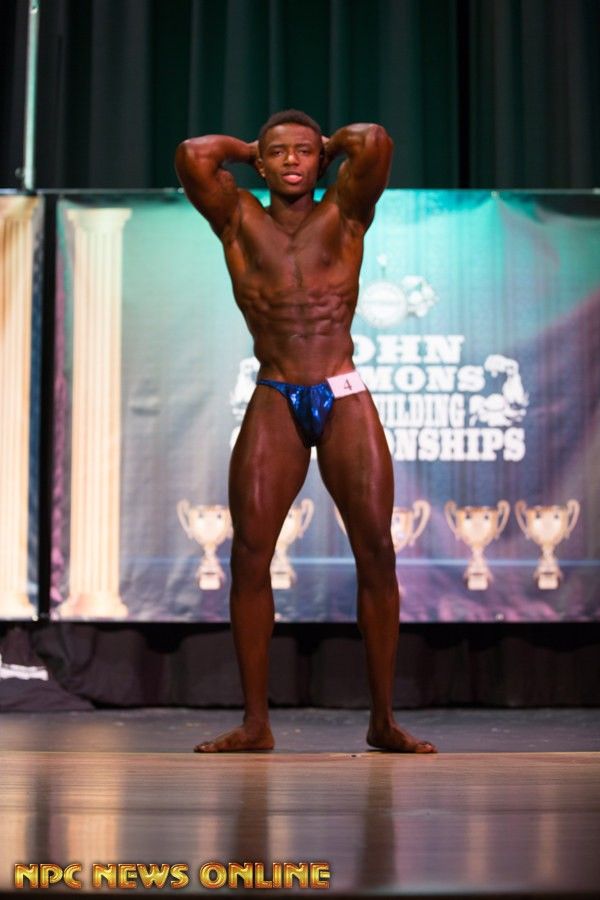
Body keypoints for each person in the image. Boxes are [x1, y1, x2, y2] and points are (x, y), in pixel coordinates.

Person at [175, 110, 436, 754]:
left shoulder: (346, 212)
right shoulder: (236, 217)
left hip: (342, 390)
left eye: (303, 151)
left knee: (376, 550)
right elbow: (193, 153)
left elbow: (375, 139)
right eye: (277, 153)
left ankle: (382, 720)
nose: (292, 160)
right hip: (275, 391)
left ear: (321, 160)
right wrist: (249, 147)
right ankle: (255, 723)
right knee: (249, 554)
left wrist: (327, 143)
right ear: (259, 165)